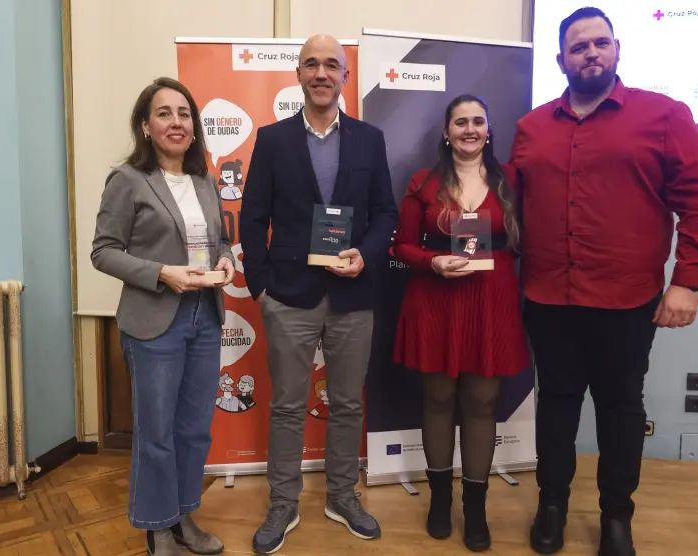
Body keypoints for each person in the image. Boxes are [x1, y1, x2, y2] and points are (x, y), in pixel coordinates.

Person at [507, 7, 698, 556]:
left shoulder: (665, 116)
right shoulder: (532, 127)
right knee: (556, 405)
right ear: (560, 59)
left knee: (621, 408)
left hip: (627, 300)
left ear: (617, 49)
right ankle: (552, 506)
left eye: (600, 43)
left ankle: (616, 518)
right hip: (548, 297)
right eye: (578, 46)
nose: (590, 53)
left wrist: (689, 281)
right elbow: (512, 207)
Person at [239, 33, 398, 554]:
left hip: (354, 294)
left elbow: (385, 213)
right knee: (287, 406)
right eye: (312, 64)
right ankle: (283, 504)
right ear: (299, 74)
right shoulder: (273, 139)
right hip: (289, 295)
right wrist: (261, 287)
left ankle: (341, 497)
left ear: (345, 76)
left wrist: (366, 255)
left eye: (332, 64)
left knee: (347, 404)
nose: (322, 73)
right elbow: (253, 216)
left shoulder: (369, 139)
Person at [91, 77, 237, 556]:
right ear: (145, 126)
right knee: (156, 433)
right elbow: (104, 252)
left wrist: (225, 261)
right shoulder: (128, 180)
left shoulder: (204, 181)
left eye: (184, 113)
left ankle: (183, 518)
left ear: (194, 127)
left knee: (193, 429)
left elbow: (218, 241)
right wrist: (161, 273)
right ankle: (156, 528)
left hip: (204, 318)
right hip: (154, 322)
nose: (176, 122)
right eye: (164, 113)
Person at [391, 94, 531, 552]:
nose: (469, 130)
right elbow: (401, 245)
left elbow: (532, 239)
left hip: (491, 301)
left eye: (477, 122)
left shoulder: (512, 180)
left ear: (488, 130)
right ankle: (439, 500)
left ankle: (475, 509)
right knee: (437, 398)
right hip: (436, 298)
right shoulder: (423, 182)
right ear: (446, 132)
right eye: (460, 122)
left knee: (482, 402)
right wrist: (432, 261)